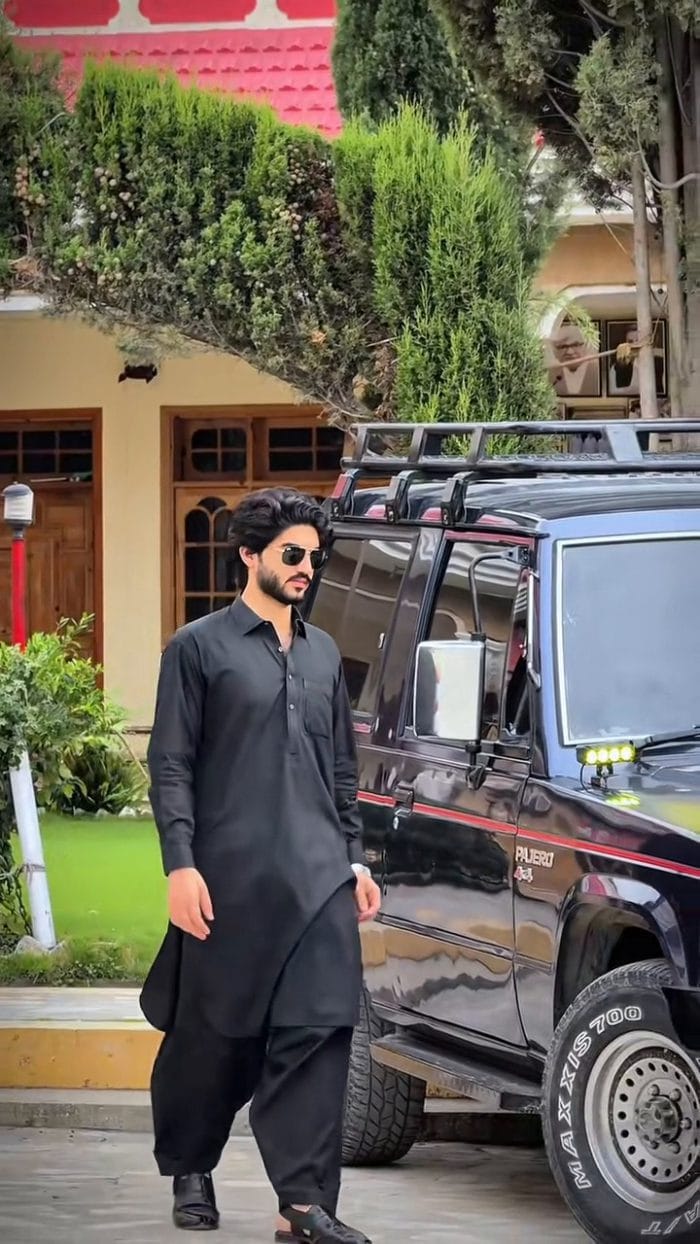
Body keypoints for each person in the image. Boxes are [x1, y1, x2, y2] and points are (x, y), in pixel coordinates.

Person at [140, 487, 381, 1243]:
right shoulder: (197, 648)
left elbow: (341, 771)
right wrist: (181, 866)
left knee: (321, 1029)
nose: (308, 566)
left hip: (318, 879)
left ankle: (301, 1205)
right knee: (215, 1039)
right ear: (249, 555)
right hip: (229, 880)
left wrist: (355, 859)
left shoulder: (323, 653)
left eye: (315, 555)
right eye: (292, 553)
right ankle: (191, 1163)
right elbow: (170, 765)